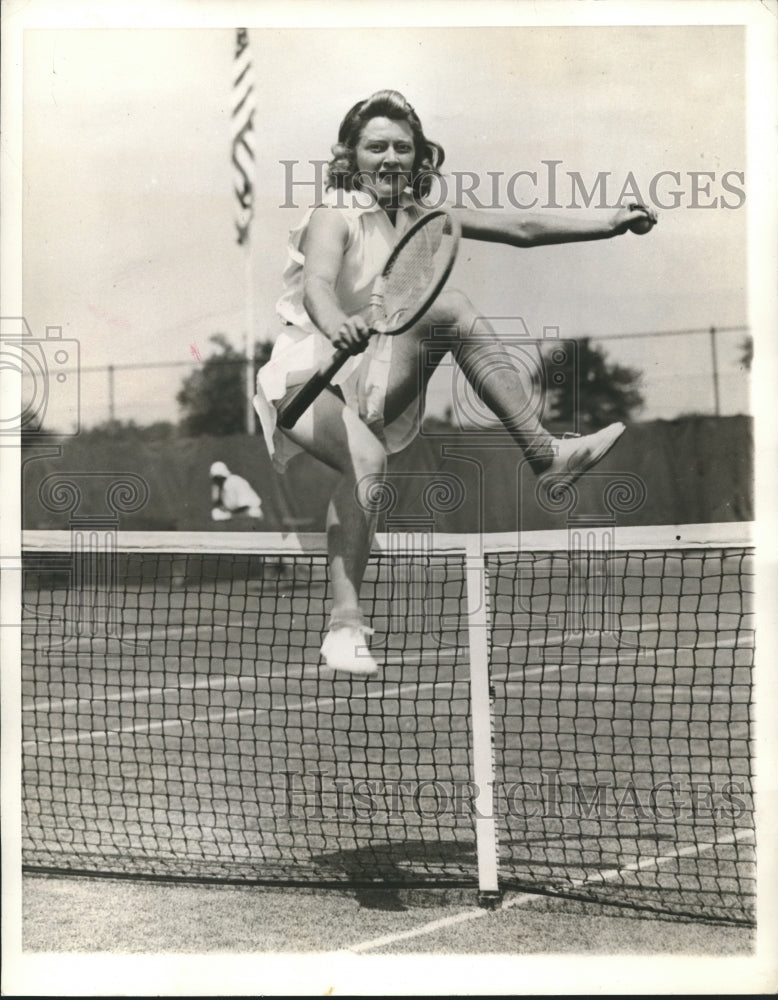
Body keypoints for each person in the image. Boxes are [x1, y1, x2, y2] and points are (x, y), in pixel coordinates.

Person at [254, 89, 656, 675]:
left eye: (402, 147)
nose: (390, 157)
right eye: (376, 146)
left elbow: (520, 225)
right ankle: (344, 629)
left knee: (454, 309)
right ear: (351, 156)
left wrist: (610, 223)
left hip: (370, 375)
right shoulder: (331, 216)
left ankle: (546, 455)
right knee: (365, 459)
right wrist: (338, 325)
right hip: (302, 376)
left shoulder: (426, 220)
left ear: (419, 158)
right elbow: (317, 286)